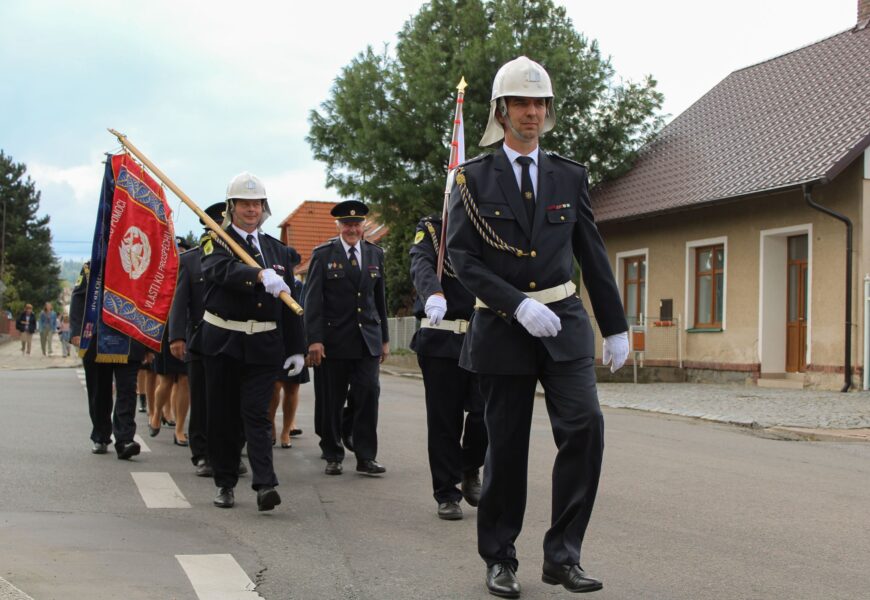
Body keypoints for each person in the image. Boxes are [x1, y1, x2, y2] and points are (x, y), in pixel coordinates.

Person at [446, 56, 629, 598]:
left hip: (564, 321)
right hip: (505, 329)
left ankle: (562, 555)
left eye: (540, 104)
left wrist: (615, 325)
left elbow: (590, 252)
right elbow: (462, 257)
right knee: (505, 447)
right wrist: (514, 305)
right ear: (501, 112)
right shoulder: (472, 178)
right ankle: (500, 556)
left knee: (585, 428)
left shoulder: (569, 175)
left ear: (548, 112)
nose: (532, 112)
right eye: (521, 104)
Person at [193, 172, 305, 511]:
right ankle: (225, 482)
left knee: (257, 414)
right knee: (223, 417)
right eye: (244, 203)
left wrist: (297, 347)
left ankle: (265, 484)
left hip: (263, 344)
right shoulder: (216, 240)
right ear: (232, 207)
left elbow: (290, 302)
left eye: (256, 203)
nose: (251, 209)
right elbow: (220, 271)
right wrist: (256, 274)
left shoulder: (276, 249)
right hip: (224, 342)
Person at [409, 213, 487, 521]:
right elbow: (421, 263)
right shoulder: (431, 228)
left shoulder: (488, 226)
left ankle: (469, 466)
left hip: (482, 337)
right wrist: (434, 293)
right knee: (445, 421)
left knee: (486, 414)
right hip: (441, 336)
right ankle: (447, 492)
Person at [304, 200, 389, 477]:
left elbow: (380, 300)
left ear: (363, 225)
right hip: (334, 341)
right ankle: (332, 453)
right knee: (332, 399)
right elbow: (313, 300)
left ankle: (366, 456)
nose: (352, 228)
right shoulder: (323, 254)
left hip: (368, 340)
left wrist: (384, 339)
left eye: (356, 224)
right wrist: (314, 340)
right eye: (347, 224)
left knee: (368, 394)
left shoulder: (375, 254)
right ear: (338, 226)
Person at [169, 202, 227, 477]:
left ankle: (228, 451)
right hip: (200, 339)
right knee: (202, 400)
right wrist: (177, 336)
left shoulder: (240, 257)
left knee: (231, 400)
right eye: (216, 227)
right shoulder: (191, 259)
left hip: (233, 340)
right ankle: (202, 453)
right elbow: (180, 302)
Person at [69, 262, 145, 459]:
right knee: (99, 391)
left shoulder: (137, 265)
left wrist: (149, 343)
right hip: (96, 339)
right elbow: (78, 299)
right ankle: (101, 435)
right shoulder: (91, 268)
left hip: (129, 339)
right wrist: (77, 332)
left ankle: (125, 439)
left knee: (127, 390)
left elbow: (148, 302)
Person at [269, 249, 308, 449]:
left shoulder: (301, 287)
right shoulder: (273, 283)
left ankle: (286, 431)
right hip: (276, 337)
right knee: (274, 387)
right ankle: (272, 428)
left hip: (296, 338)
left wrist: (305, 345)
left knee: (292, 387)